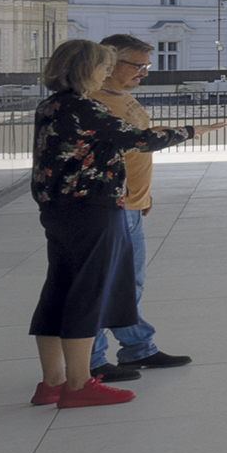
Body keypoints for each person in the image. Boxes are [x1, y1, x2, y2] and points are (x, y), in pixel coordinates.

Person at [30, 38, 209, 408]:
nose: (105, 73)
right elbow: (140, 140)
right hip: (91, 209)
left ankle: (52, 381)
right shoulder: (84, 107)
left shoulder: (51, 105)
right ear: (85, 70)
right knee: (88, 293)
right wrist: (192, 131)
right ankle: (80, 384)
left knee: (59, 292)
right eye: (101, 67)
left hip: (61, 209)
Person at [89, 33, 193, 385]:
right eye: (138, 65)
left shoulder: (122, 97)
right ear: (109, 64)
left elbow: (137, 145)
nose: (145, 72)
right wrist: (189, 131)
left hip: (130, 204)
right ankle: (92, 360)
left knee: (130, 282)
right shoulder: (94, 102)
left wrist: (143, 194)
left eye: (146, 65)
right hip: (110, 206)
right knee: (105, 284)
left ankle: (138, 348)